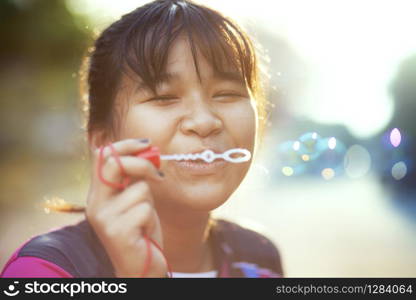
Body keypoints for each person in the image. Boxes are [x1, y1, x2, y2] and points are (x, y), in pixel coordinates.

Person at [1, 0, 283, 278]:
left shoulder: (258, 258)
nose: (205, 122)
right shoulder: (44, 271)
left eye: (227, 94)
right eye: (164, 97)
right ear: (103, 139)